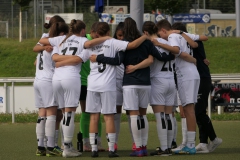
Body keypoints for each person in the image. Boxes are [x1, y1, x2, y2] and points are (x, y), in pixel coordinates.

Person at [39, 19, 111, 158]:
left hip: (56, 79)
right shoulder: (83, 42)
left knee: (64, 113)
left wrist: (61, 60)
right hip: (71, 78)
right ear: (83, 31)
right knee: (69, 114)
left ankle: (65, 145)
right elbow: (78, 58)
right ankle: (67, 147)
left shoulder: (61, 39)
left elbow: (46, 47)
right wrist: (107, 38)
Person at [80, 21, 152, 158]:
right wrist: (145, 36)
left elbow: (78, 59)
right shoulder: (113, 42)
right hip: (107, 85)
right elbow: (132, 45)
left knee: (94, 118)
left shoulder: (91, 45)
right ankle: (112, 149)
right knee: (109, 117)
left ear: (95, 33)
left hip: (92, 85)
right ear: (108, 32)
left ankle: (94, 149)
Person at [155, 19, 203, 155]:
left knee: (188, 110)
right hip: (191, 73)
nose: (161, 38)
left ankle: (190, 144)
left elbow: (176, 51)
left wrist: (159, 44)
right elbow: (193, 45)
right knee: (189, 110)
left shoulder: (171, 36)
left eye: (160, 34)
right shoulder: (179, 35)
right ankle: (189, 143)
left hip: (185, 75)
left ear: (163, 30)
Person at [33, 15, 67, 157]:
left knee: (42, 114)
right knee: (52, 114)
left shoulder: (44, 37)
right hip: (48, 80)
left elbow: (35, 56)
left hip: (38, 80)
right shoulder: (56, 42)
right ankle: (51, 146)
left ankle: (41, 146)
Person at [79, 22, 105, 152]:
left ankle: (97, 142)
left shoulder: (98, 42)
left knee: (97, 113)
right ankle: (85, 142)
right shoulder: (86, 41)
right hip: (83, 82)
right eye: (99, 35)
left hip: (96, 82)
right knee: (86, 112)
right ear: (93, 32)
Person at [192, 41, 223, 153]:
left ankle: (214, 139)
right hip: (199, 79)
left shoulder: (194, 41)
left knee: (199, 112)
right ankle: (203, 142)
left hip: (203, 79)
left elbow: (199, 40)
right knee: (199, 112)